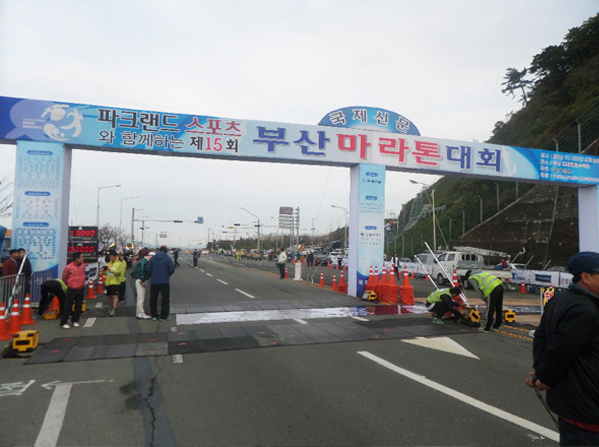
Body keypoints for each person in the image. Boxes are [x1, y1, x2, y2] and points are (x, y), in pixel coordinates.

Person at [525, 251, 599, 446]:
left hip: (571, 402)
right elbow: (561, 350)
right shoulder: (585, 310)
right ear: (586, 277)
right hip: (586, 406)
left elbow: (541, 337)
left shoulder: (559, 299)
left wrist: (541, 372)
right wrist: (545, 378)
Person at [145, 245, 175, 321]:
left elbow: (148, 268)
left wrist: (152, 274)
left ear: (159, 250)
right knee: (165, 298)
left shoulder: (153, 258)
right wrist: (166, 274)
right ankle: (163, 316)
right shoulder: (167, 258)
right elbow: (172, 268)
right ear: (166, 251)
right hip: (164, 281)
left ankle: (154, 315)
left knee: (153, 298)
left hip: (154, 281)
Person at [61, 252, 86, 329]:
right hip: (72, 288)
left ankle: (75, 320)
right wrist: (69, 284)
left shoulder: (83, 266)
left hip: (81, 288)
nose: (83, 258)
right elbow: (64, 278)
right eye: (81, 257)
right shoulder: (68, 267)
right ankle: (64, 322)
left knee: (79, 306)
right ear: (76, 259)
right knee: (68, 306)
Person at [131, 251, 154, 319]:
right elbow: (142, 271)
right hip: (141, 280)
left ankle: (139, 313)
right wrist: (143, 280)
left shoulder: (142, 261)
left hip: (139, 280)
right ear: (150, 256)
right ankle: (140, 313)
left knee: (140, 298)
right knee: (141, 298)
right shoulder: (144, 261)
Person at [103, 250, 125, 316]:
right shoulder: (108, 264)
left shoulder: (119, 263)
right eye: (110, 257)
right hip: (108, 282)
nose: (111, 258)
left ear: (115, 257)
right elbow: (104, 273)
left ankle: (114, 309)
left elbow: (118, 272)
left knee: (115, 295)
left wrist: (110, 270)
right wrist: (104, 270)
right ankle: (111, 307)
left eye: (112, 257)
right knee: (110, 296)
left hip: (116, 282)